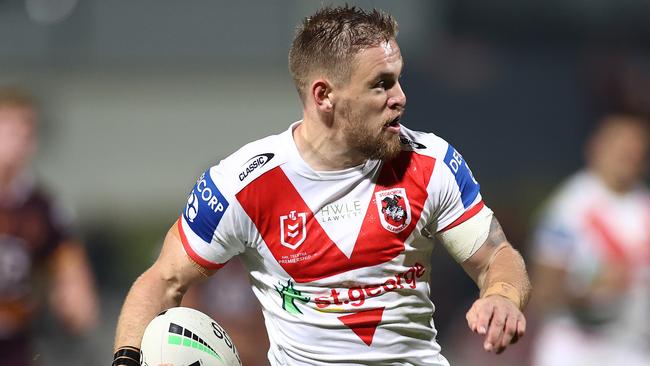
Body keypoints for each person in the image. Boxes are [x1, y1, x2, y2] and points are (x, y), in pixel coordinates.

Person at [113, 6, 531, 366]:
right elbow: (162, 281)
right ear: (324, 95)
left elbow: (497, 256)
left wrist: (503, 296)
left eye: (398, 80)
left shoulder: (430, 162)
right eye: (381, 84)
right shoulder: (243, 184)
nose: (401, 97)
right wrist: (127, 359)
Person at [530, 115, 650, 366]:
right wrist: (589, 290)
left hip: (633, 346)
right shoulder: (569, 207)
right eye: (620, 146)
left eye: (636, 148)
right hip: (576, 347)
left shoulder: (644, 206)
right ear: (596, 147)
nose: (629, 155)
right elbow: (543, 292)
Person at [0, 87, 99, 365]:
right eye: (10, 127)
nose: (20, 139)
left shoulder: (42, 207)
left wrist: (75, 298)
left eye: (27, 131)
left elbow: (69, 264)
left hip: (15, 343)